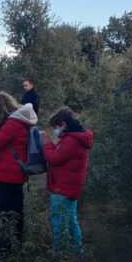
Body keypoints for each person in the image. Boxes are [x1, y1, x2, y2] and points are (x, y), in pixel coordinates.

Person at [0, 92, 38, 252]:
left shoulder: (13, 124)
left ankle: (7, 247)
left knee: (6, 211)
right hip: (15, 173)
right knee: (16, 210)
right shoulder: (19, 121)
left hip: (8, 174)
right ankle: (16, 244)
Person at [41, 107, 94, 254]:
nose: (55, 131)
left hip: (62, 188)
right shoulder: (76, 138)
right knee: (71, 220)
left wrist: (47, 143)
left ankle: (60, 254)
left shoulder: (71, 140)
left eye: (56, 127)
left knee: (59, 222)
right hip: (71, 187)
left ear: (63, 124)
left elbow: (54, 158)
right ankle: (77, 251)